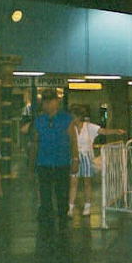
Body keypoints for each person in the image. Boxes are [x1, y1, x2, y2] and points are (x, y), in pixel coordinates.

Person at [68, 105, 125, 217]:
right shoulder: (70, 128)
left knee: (87, 183)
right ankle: (70, 208)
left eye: (73, 116)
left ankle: (87, 207)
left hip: (86, 157)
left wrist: (116, 131)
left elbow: (103, 131)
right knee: (73, 183)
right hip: (75, 157)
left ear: (78, 117)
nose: (71, 119)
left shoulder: (89, 127)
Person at [33, 89, 77, 223]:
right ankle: (47, 221)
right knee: (45, 194)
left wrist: (75, 159)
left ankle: (63, 220)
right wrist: (32, 162)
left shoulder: (66, 119)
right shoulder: (38, 120)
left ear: (56, 102)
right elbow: (35, 142)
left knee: (62, 194)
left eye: (51, 101)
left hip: (62, 163)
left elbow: (73, 140)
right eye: (45, 102)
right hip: (43, 163)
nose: (48, 105)